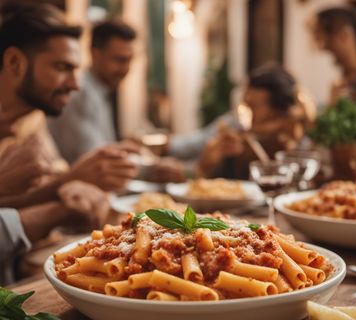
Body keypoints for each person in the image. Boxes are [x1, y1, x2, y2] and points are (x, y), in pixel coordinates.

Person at [0, 2, 139, 210]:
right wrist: (72, 179)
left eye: (75, 70)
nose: (75, 84)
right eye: (62, 67)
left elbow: (54, 181)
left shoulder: (32, 117)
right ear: (14, 62)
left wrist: (70, 180)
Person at [47, 19, 186, 182]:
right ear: (95, 53)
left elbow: (104, 152)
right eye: (119, 60)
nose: (126, 69)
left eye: (129, 60)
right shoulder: (81, 94)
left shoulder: (99, 92)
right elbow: (99, 165)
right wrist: (153, 168)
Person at [170, 64, 310, 179]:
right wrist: (203, 166)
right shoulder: (234, 125)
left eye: (253, 106)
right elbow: (189, 148)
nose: (245, 112)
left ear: (278, 112)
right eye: (244, 103)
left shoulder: (297, 138)